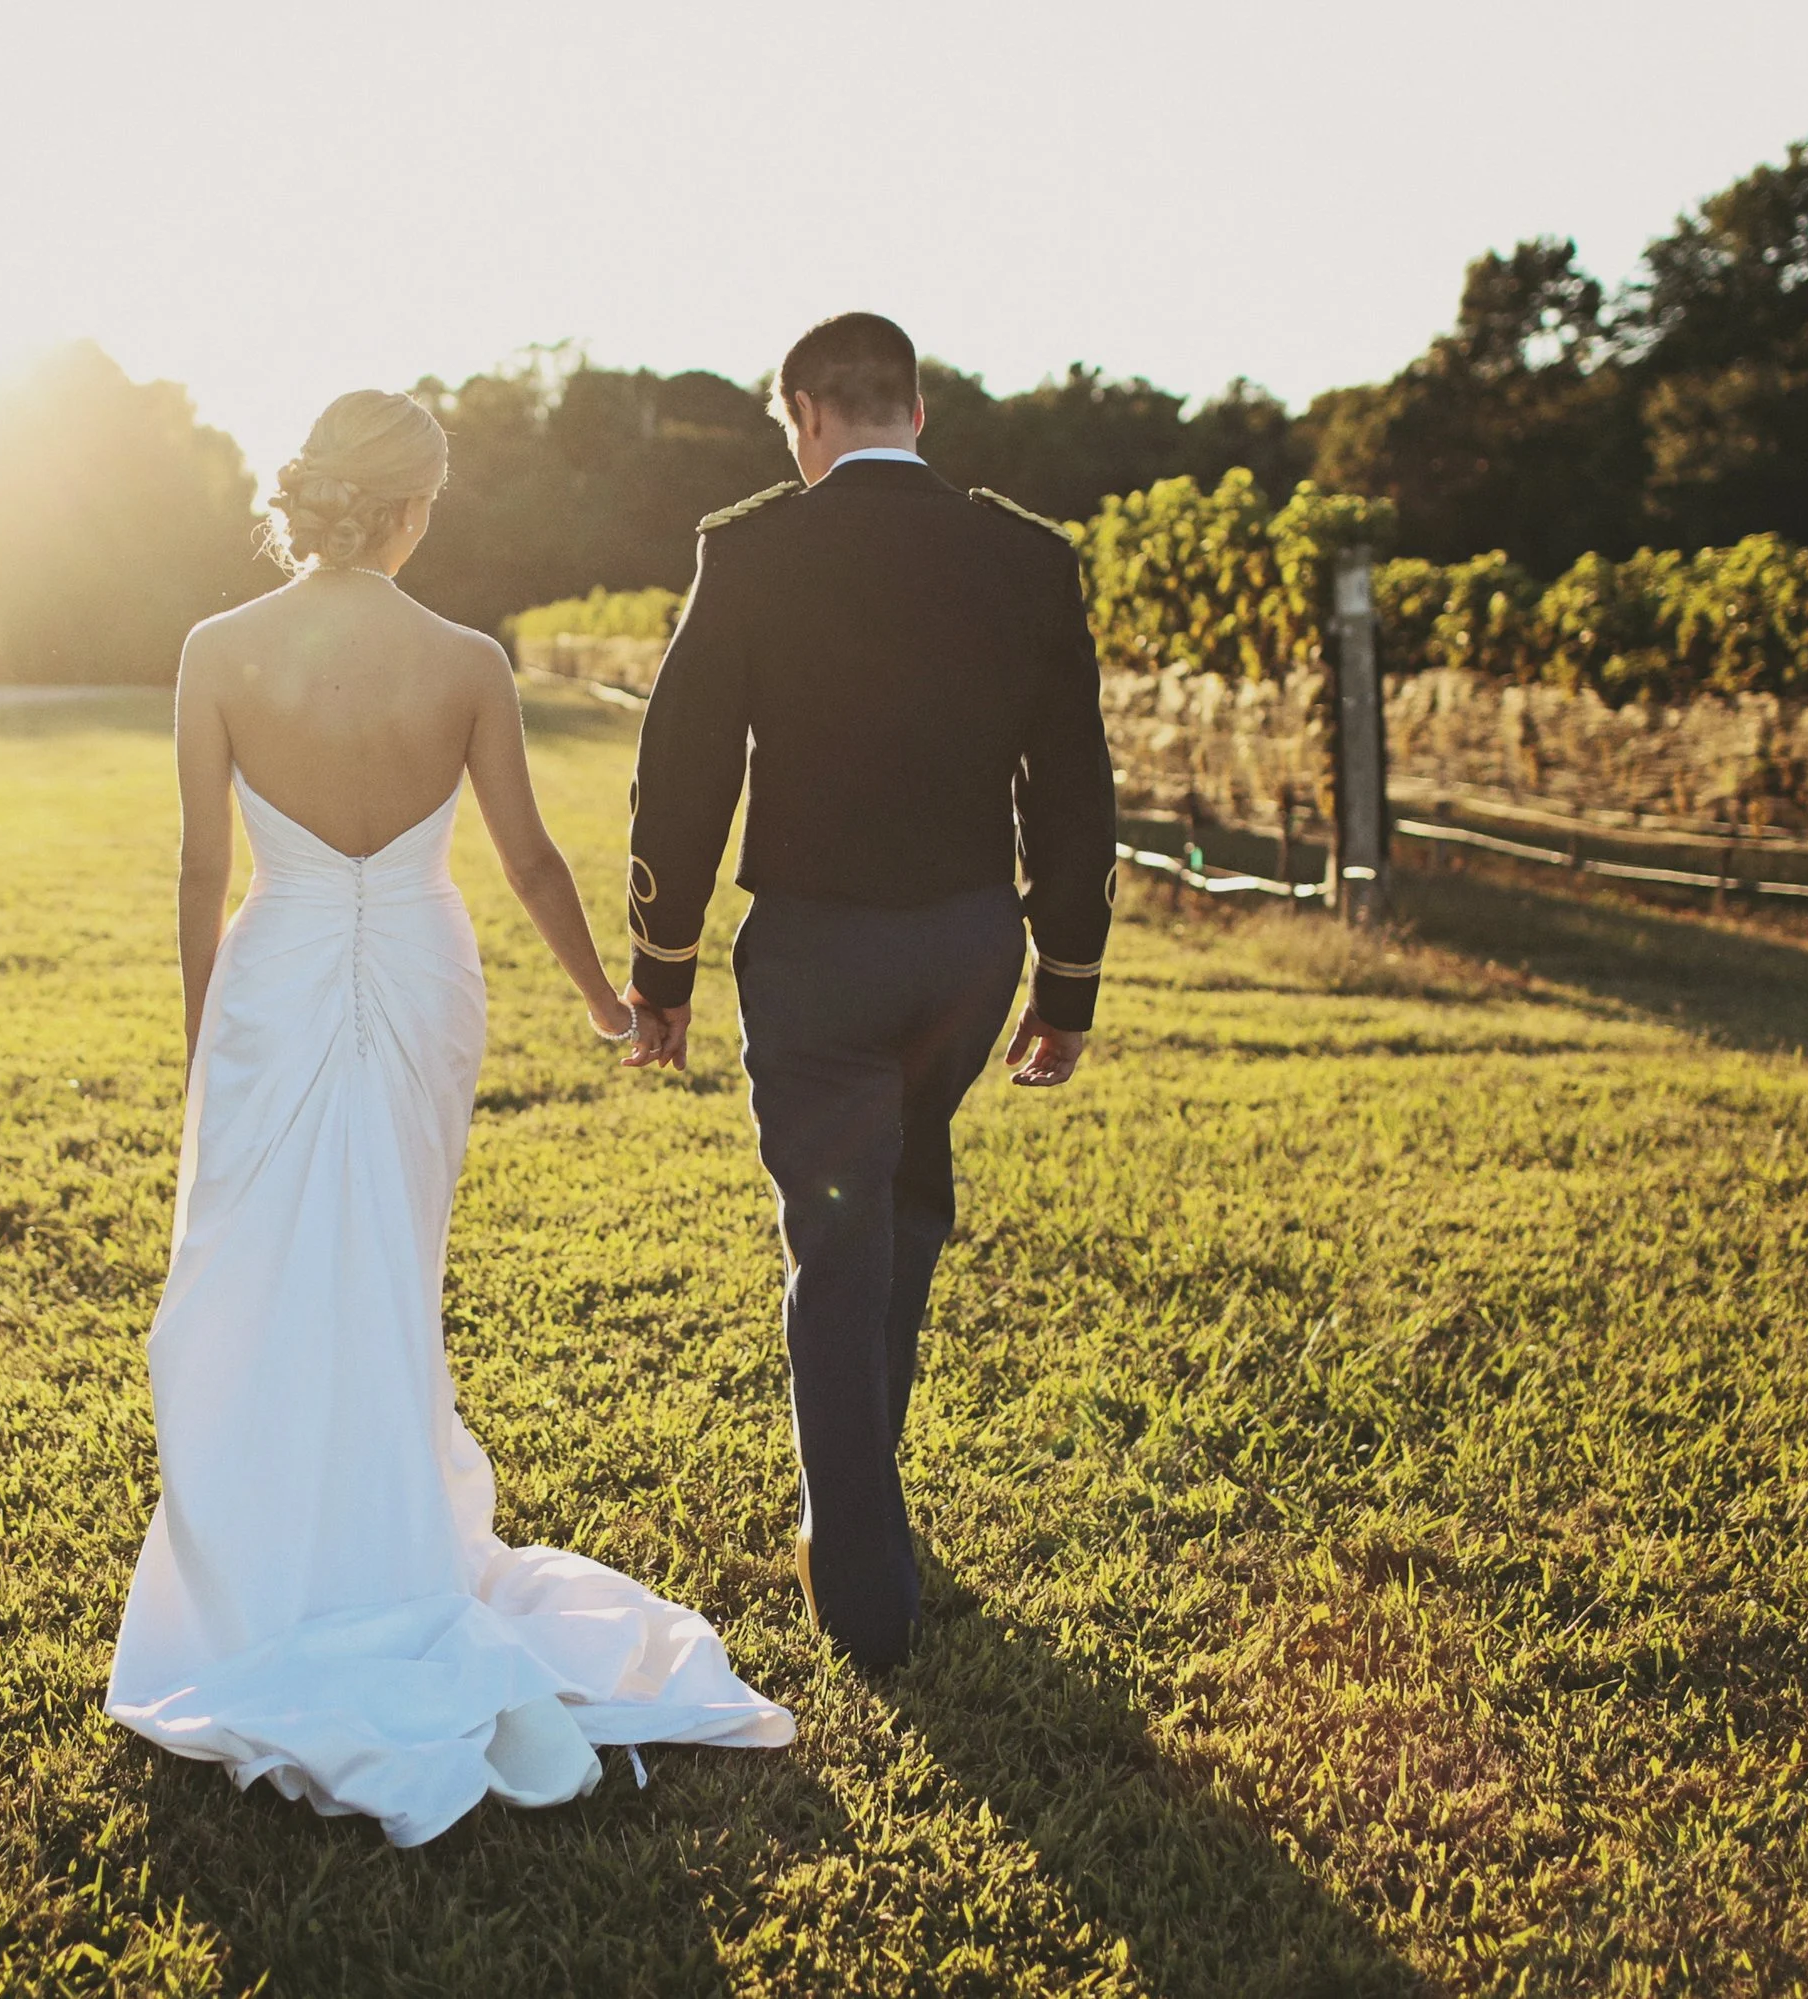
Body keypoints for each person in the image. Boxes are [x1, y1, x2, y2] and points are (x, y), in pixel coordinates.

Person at [105, 389, 791, 1849]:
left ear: (309, 502)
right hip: (420, 973)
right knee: (391, 1266)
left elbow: (197, 868)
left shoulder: (217, 651)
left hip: (277, 977)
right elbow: (530, 856)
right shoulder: (465, 660)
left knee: (270, 1268)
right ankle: (388, 1541)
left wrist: (200, 1037)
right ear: (412, 507)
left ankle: (280, 1555)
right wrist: (612, 1002)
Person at [623, 313, 1117, 1670]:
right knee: (902, 1204)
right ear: (919, 410)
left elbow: (683, 769)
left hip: (819, 957)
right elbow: (1075, 782)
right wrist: (1066, 977)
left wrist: (659, 971)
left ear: (805, 413)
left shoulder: (753, 548)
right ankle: (868, 1498)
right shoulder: (1026, 554)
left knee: (836, 1243)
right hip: (967, 949)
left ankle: (860, 1573)